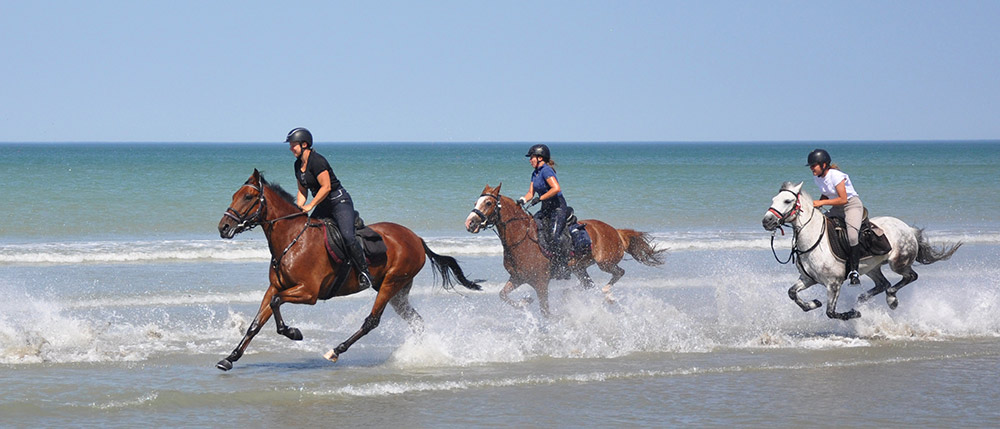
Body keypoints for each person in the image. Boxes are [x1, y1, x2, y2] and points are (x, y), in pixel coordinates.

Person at [286, 127, 373, 289]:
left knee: (347, 237)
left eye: (293, 145)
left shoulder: (318, 161)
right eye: (290, 145)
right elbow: (302, 190)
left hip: (339, 202)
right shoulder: (297, 165)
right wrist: (298, 209)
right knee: (307, 234)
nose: (291, 148)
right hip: (323, 204)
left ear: (304, 144)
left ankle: (364, 273)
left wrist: (311, 205)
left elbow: (325, 187)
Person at [807, 148, 864, 284]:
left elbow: (843, 199)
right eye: (810, 166)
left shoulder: (836, 176)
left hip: (851, 206)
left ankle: (854, 271)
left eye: (813, 165)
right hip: (836, 208)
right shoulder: (817, 177)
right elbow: (826, 192)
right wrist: (818, 205)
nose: (811, 169)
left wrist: (821, 202)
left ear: (824, 165)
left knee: (852, 236)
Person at [518, 144, 570, 277]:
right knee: (532, 228)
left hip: (558, 208)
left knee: (554, 236)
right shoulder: (535, 173)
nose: (530, 160)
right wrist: (523, 200)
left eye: (532, 158)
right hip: (546, 208)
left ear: (540, 158)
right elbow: (530, 192)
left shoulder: (546, 170)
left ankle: (563, 266)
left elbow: (556, 188)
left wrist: (540, 198)